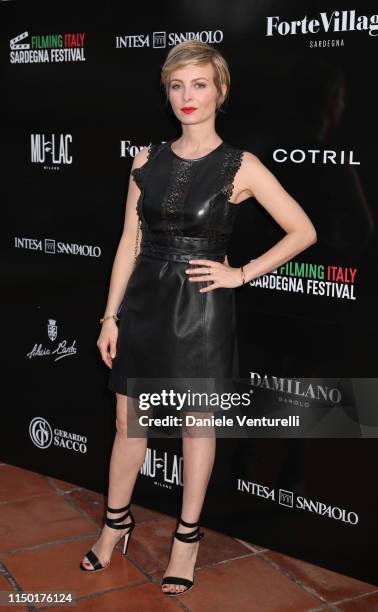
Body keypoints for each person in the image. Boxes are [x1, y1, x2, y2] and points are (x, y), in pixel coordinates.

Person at [79, 40, 317, 596]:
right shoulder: (145, 161)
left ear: (221, 91)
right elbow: (127, 243)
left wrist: (243, 273)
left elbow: (303, 231)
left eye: (199, 84)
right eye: (177, 85)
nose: (188, 96)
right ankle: (116, 525)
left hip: (202, 309)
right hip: (142, 307)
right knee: (126, 425)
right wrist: (109, 317)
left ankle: (187, 538)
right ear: (167, 93)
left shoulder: (242, 166)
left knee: (196, 427)